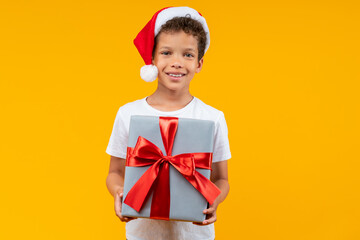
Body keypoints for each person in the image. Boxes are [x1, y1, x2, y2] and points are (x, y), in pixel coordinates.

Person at [105, 6, 231, 240]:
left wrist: (215, 199)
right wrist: (119, 192)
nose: (177, 62)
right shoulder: (128, 113)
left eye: (188, 54)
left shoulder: (213, 117)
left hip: (195, 235)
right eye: (166, 53)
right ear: (152, 58)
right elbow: (114, 172)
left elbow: (222, 179)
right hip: (142, 234)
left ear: (199, 63)